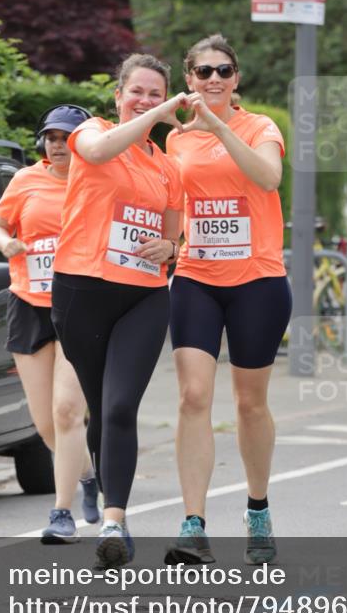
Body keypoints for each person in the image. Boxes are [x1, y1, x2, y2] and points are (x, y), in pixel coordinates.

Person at [51, 54, 185, 568]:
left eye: (156, 93)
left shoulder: (167, 166)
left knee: (120, 406)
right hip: (82, 290)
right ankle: (105, 498)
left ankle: (114, 520)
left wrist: (170, 247)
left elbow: (175, 232)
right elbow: (106, 148)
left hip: (144, 295)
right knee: (97, 406)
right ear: (118, 96)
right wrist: (156, 116)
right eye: (139, 92)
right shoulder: (91, 132)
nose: (147, 101)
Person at [165, 34, 292, 565]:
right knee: (194, 397)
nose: (213, 80)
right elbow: (168, 202)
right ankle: (193, 523)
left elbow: (268, 177)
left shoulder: (260, 127)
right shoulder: (174, 141)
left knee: (248, 402)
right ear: (188, 80)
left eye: (222, 71)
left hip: (257, 280)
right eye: (202, 72)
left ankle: (257, 508)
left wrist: (217, 123)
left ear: (236, 79)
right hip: (196, 276)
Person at [0, 104, 100, 544]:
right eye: (52, 138)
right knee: (44, 423)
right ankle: (88, 473)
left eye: (67, 138)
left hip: (78, 305)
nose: (58, 146)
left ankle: (61, 513)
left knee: (68, 410)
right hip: (29, 304)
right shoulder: (25, 180)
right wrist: (8, 243)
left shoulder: (97, 181)